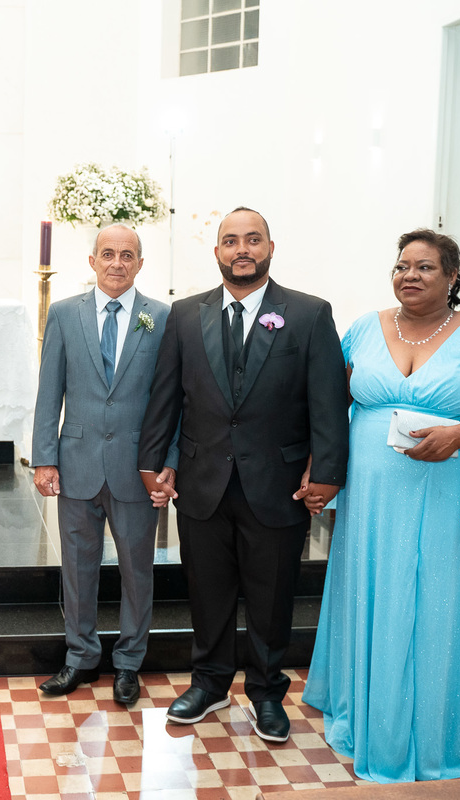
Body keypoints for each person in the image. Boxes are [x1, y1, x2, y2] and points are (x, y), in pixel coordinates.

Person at [302, 229, 460, 783]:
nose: (410, 275)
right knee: (374, 596)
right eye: (402, 265)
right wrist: (319, 466)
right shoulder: (363, 328)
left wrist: (458, 436)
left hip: (450, 494)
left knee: (435, 605)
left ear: (453, 277)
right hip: (373, 502)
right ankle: (367, 718)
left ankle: (433, 734)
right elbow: (330, 403)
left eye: (425, 267)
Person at [137, 207, 350, 741]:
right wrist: (150, 461)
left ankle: (266, 692)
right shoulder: (184, 315)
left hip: (278, 485)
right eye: (231, 241)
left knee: (272, 596)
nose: (242, 250)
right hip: (202, 481)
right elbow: (165, 396)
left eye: (253, 240)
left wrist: (326, 472)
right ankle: (208, 683)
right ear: (217, 253)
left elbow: (327, 401)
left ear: (271, 247)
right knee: (206, 591)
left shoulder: (307, 314)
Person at [32, 224, 178, 706]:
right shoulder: (65, 314)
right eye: (108, 254)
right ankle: (79, 657)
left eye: (128, 255)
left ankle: (129, 663)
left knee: (138, 569)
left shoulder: (158, 317)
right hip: (76, 461)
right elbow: (49, 389)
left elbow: (172, 399)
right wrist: (44, 458)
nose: (117, 262)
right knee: (77, 567)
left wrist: (167, 463)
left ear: (140, 263)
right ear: (92, 261)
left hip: (136, 466)